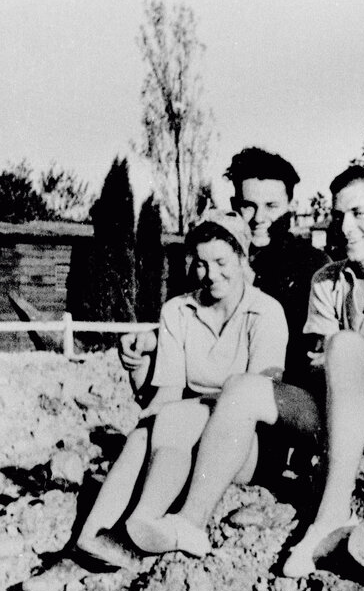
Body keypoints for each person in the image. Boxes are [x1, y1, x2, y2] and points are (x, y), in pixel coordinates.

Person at [134, 165, 364, 578]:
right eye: (339, 215)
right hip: (336, 415)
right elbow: (316, 366)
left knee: (343, 346)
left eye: (359, 214)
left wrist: (357, 370)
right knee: (244, 387)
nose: (346, 227)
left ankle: (332, 515)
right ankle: (189, 521)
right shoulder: (326, 280)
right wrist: (341, 375)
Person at [24, 212, 288, 590]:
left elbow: (256, 402)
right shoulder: (177, 311)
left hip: (240, 447)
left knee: (182, 417)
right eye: (200, 263)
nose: (210, 274)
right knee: (144, 434)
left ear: (243, 260)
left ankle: (141, 520)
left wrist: (187, 412)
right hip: (183, 432)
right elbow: (167, 392)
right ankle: (90, 539)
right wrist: (150, 427)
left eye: (222, 263)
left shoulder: (266, 313)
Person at [119, 147, 329, 403]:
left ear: (291, 206)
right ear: (234, 205)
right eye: (248, 206)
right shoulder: (213, 257)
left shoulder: (311, 265)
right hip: (214, 381)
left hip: (278, 388)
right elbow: (196, 317)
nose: (259, 218)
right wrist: (153, 337)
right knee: (144, 360)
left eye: (271, 206)